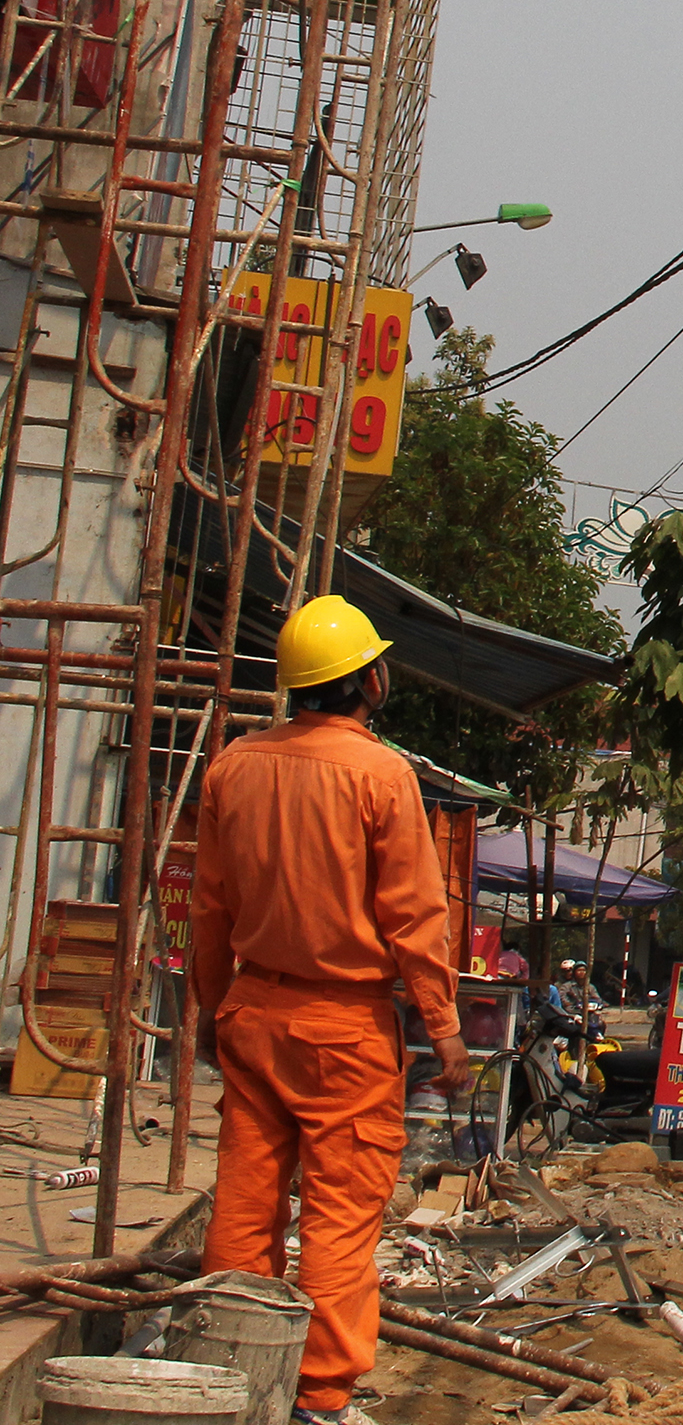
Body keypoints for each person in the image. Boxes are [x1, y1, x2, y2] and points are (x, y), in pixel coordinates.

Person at [192, 596, 469, 1425]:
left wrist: (214, 1013)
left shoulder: (233, 767)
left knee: (245, 1203)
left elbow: (209, 909)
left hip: (253, 1009)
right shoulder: (381, 775)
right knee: (340, 1218)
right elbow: (415, 918)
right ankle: (316, 1397)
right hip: (343, 1026)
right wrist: (444, 1029)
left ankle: (230, 1372)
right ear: (367, 681)